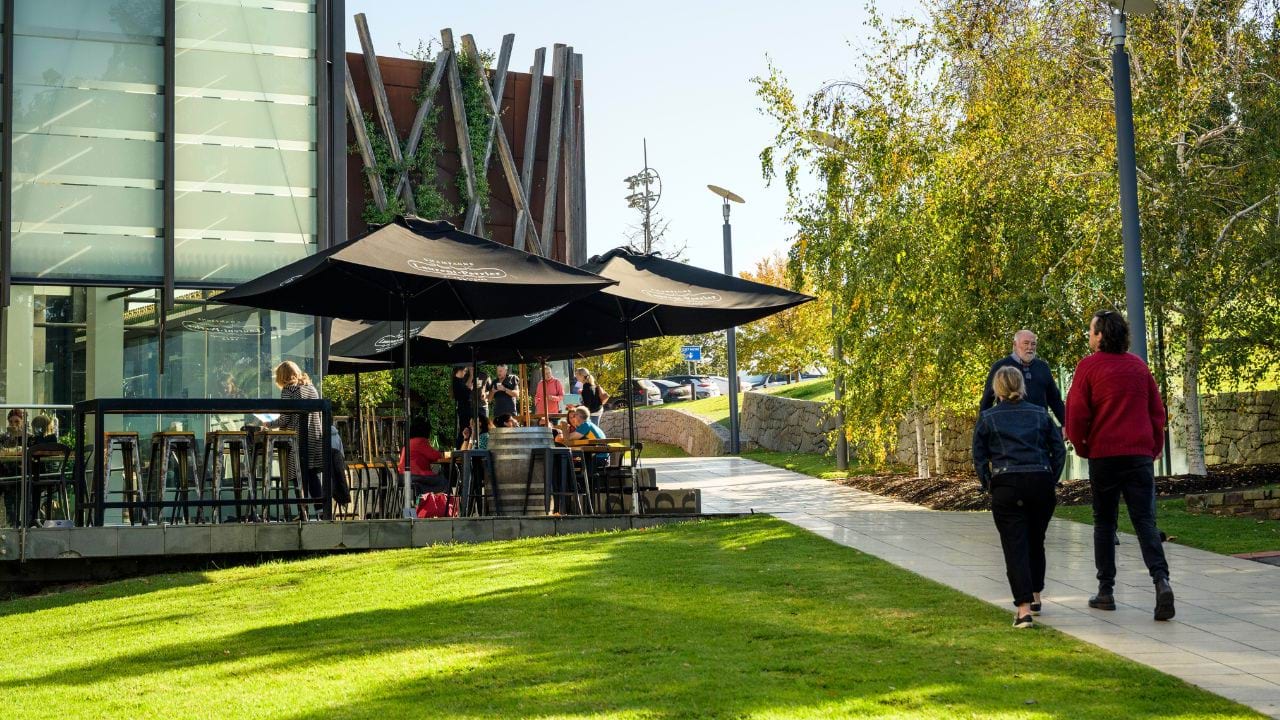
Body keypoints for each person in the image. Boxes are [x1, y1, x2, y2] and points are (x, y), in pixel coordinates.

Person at [1065, 310, 1174, 621]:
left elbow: (1076, 414)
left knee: (1104, 522)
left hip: (1105, 455)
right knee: (1145, 523)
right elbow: (1157, 411)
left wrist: (1084, 446)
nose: (1089, 336)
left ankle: (1106, 590)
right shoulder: (1139, 367)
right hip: (1138, 455)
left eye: (1091, 331)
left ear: (1101, 335)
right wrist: (1153, 447)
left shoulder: (1088, 367)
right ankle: (1160, 580)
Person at [973, 366, 1066, 629]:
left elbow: (979, 457)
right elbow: (1058, 450)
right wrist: (1051, 477)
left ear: (997, 389)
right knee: (1036, 540)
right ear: (1021, 388)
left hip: (1007, 483)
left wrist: (989, 484)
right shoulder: (1041, 414)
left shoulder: (988, 418)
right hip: (1040, 482)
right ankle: (1036, 594)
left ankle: (1023, 609)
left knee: (1015, 545)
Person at [270, 361, 326, 519]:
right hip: (315, 436)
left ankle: (303, 512)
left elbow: (285, 418)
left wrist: (269, 423)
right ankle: (321, 510)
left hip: (298, 438)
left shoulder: (289, 389)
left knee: (295, 475)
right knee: (312, 473)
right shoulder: (310, 387)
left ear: (282, 376)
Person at [980, 329, 1065, 426]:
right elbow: (987, 400)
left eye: (1033, 344)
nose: (1030, 347)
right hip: (1009, 428)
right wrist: (983, 428)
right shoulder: (1001, 367)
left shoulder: (1043, 367)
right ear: (1015, 344)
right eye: (1026, 343)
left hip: (1039, 428)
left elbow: (1054, 399)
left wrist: (1066, 424)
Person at [399, 418, 446, 497]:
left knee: (431, 482)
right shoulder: (420, 441)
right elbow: (435, 455)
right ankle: (446, 507)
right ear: (426, 431)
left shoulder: (409, 442)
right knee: (444, 481)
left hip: (403, 476)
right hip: (414, 475)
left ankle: (422, 500)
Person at [451, 366, 474, 449]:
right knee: (464, 429)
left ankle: (462, 448)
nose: (465, 373)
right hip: (464, 410)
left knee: (465, 429)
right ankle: (460, 448)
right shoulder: (457, 381)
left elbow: (464, 390)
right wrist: (469, 389)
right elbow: (462, 395)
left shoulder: (459, 381)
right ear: (459, 371)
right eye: (464, 371)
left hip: (464, 409)